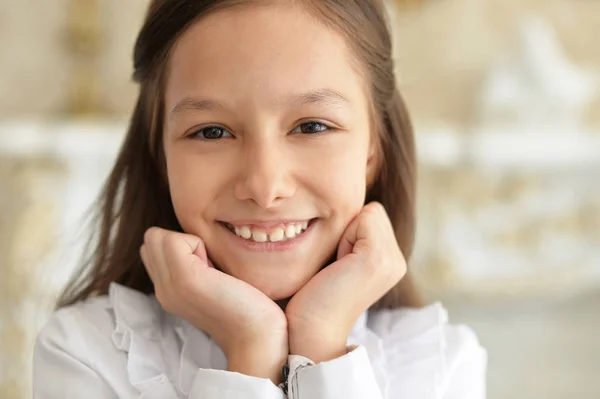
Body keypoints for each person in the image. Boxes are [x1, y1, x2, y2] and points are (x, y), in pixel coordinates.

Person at [33, 1, 487, 398]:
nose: (265, 187)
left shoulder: (442, 367)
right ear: (161, 154)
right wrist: (251, 349)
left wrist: (323, 342)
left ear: (374, 151)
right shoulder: (84, 353)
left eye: (311, 126)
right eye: (212, 131)